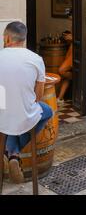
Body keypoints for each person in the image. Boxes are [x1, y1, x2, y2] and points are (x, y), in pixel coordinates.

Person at [0, 21, 53, 183]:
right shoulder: (36, 59)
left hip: (1, 112)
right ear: (23, 39)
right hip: (24, 114)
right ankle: (14, 153)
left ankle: (10, 152)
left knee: (8, 113)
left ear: (7, 38)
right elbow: (38, 95)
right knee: (47, 111)